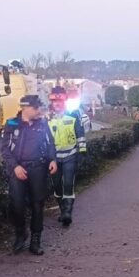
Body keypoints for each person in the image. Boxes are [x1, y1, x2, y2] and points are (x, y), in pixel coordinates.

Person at [1, 95, 57, 255]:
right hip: (18, 170)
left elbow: (50, 142)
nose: (39, 110)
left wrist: (52, 159)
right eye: (36, 108)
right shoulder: (11, 124)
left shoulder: (43, 123)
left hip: (38, 168)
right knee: (17, 205)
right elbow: (4, 149)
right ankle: (20, 233)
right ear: (26, 108)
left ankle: (35, 240)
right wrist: (15, 167)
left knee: (37, 205)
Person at [48, 86, 87, 227]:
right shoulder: (47, 118)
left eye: (60, 101)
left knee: (68, 184)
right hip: (54, 158)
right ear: (51, 102)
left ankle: (67, 213)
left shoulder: (73, 115)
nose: (57, 104)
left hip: (71, 155)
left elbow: (80, 134)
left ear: (64, 101)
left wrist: (82, 152)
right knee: (57, 186)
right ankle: (62, 209)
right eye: (54, 101)